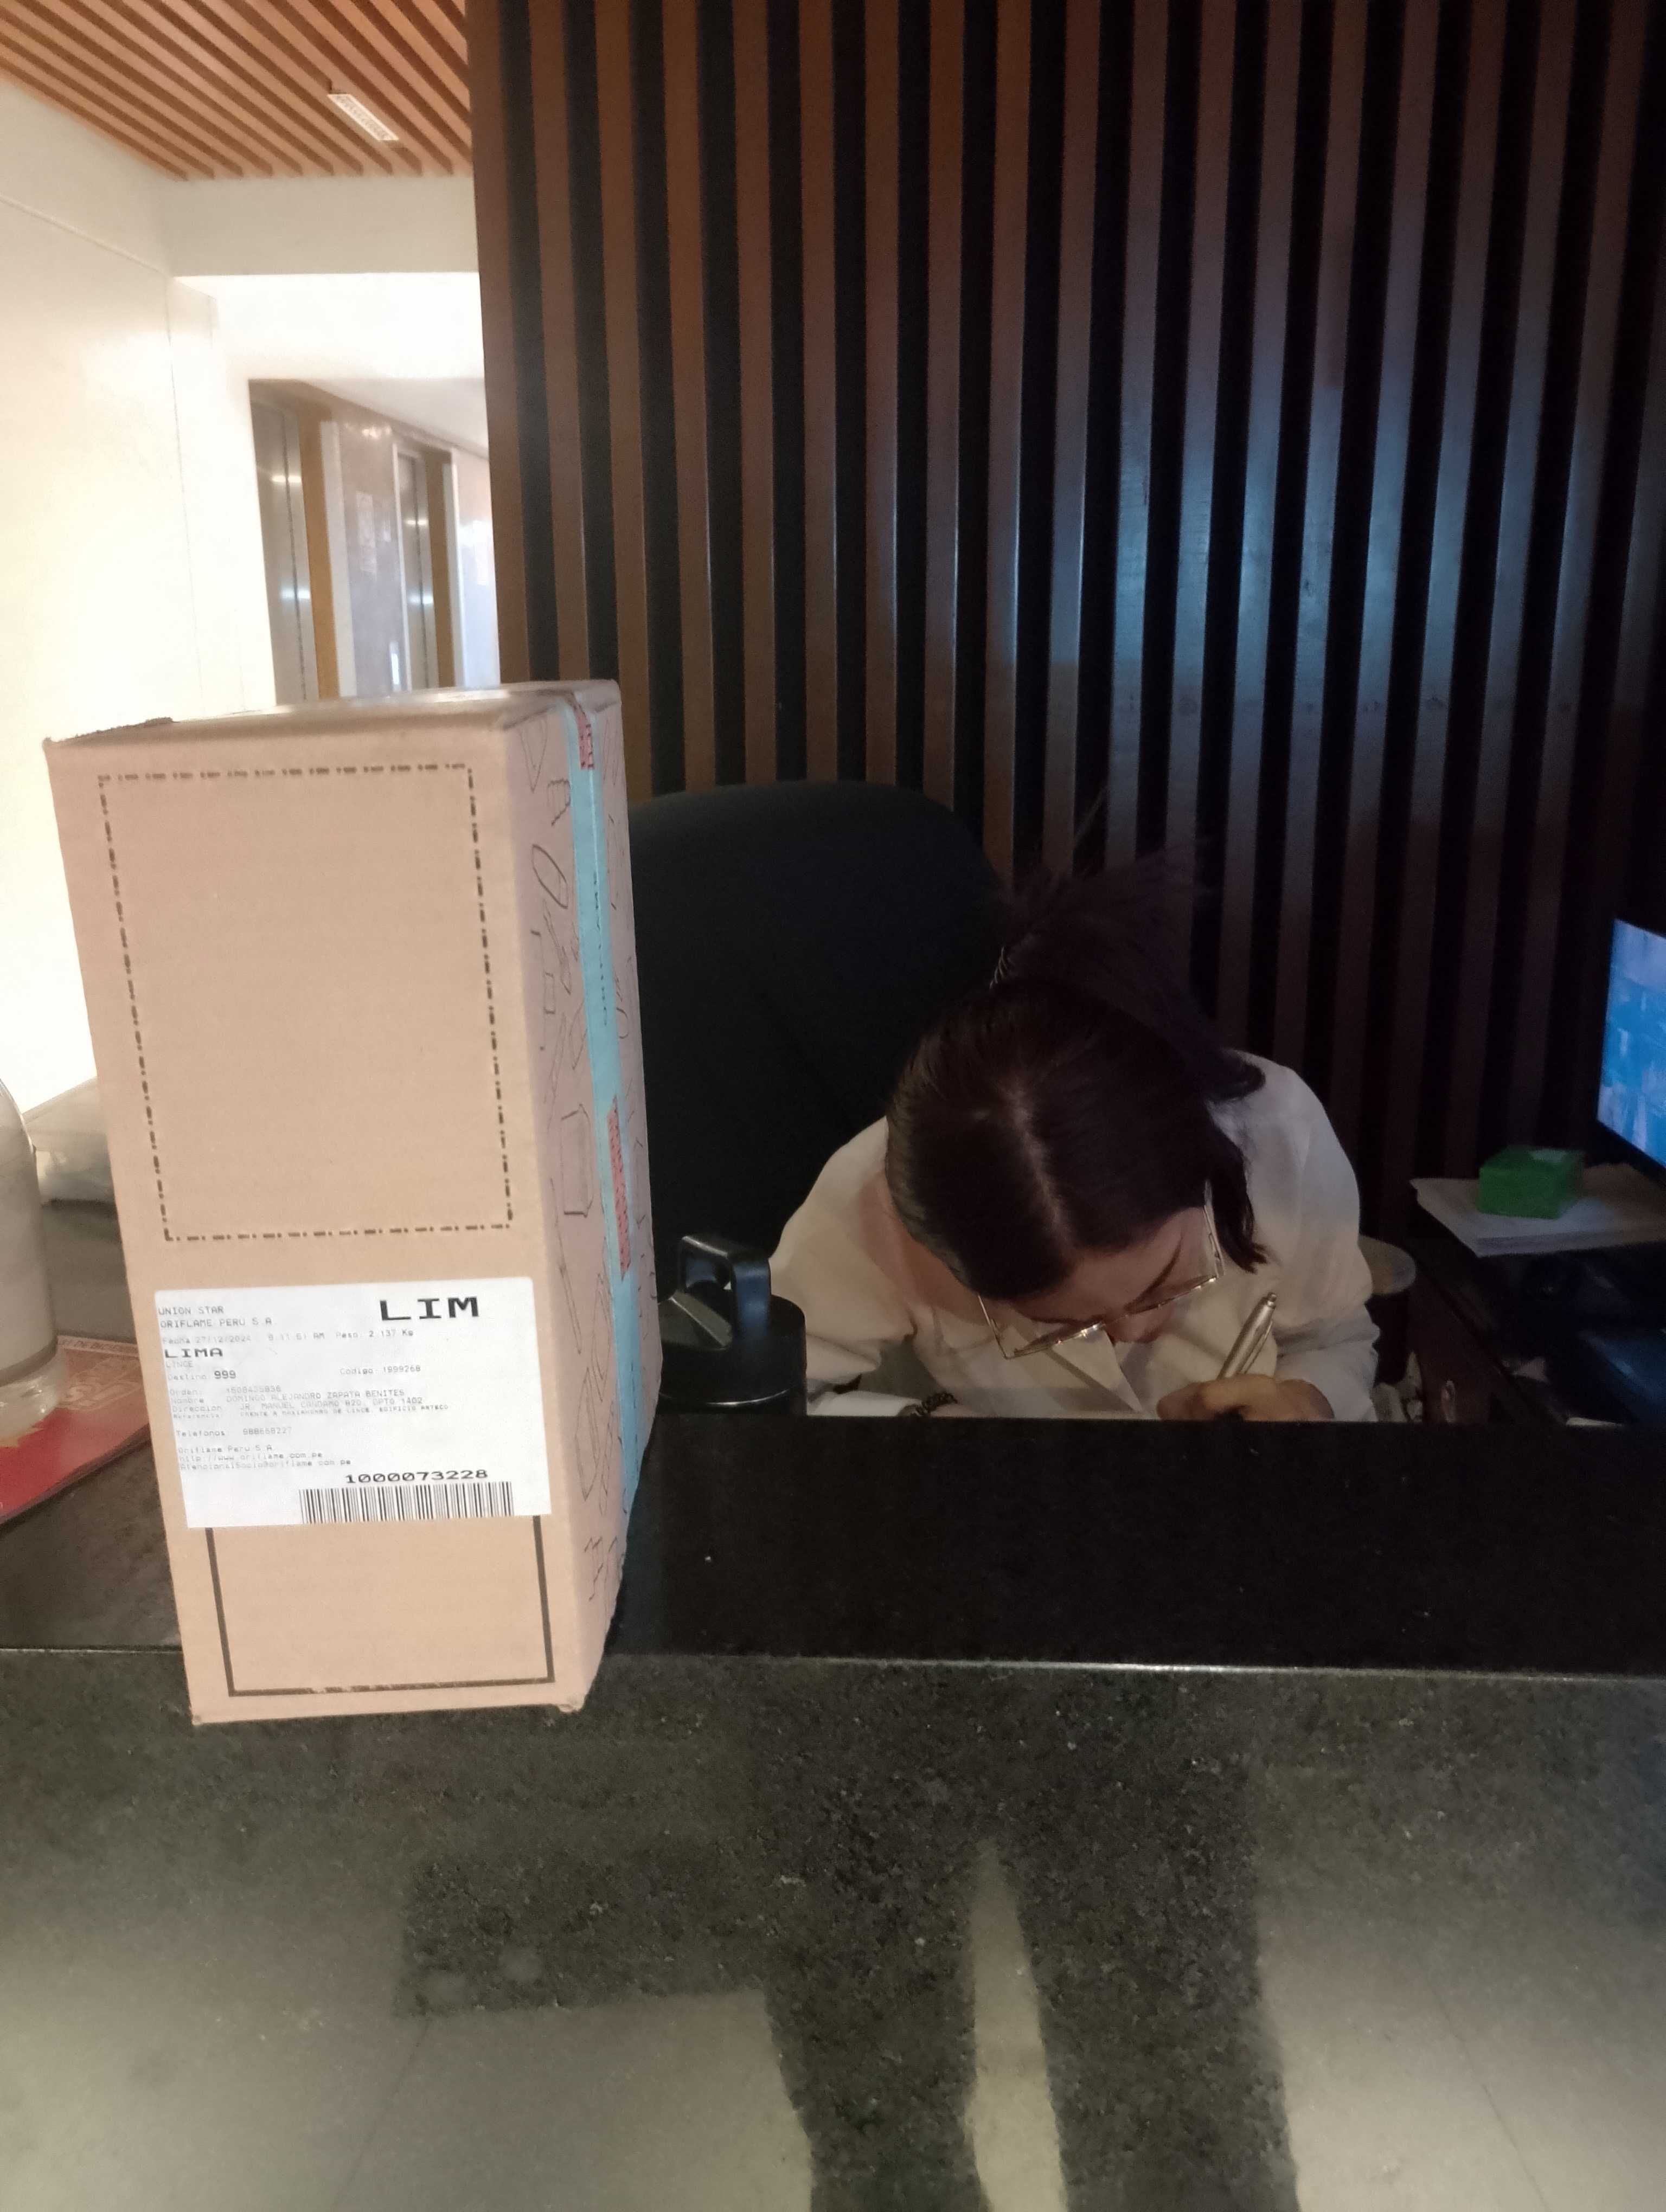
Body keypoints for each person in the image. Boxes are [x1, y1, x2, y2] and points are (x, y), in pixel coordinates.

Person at [772, 870, 1377, 1420]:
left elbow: (1334, 1338)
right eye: (1056, 1323)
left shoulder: (1277, 1134)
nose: (1134, 1331)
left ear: (1201, 1157)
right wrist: (934, 1431)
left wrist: (1307, 1400)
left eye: (1164, 1281)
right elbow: (772, 1399)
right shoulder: (881, 1198)